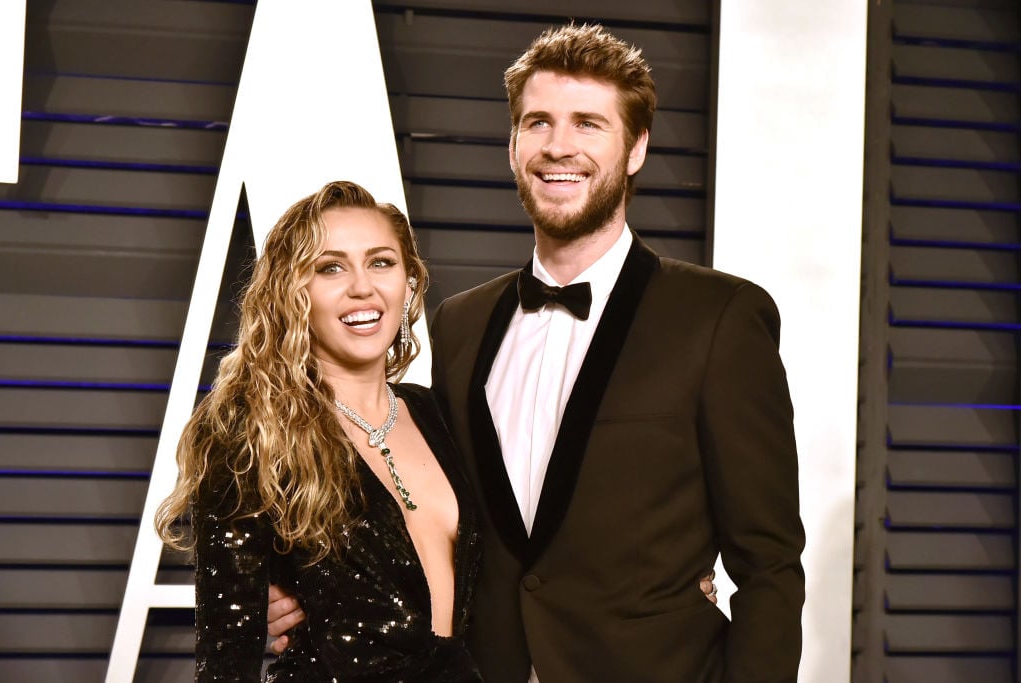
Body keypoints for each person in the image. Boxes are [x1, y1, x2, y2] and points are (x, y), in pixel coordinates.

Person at [272, 22, 804, 683]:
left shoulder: (720, 318)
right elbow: (425, 515)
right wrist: (298, 590)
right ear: (514, 143)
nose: (559, 147)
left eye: (588, 124)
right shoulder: (460, 324)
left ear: (635, 147)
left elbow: (770, 566)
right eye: (538, 123)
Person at [155, 181, 483, 681]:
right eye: (330, 267)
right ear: (293, 292)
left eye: (381, 262)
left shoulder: (436, 413)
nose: (362, 287)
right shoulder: (253, 433)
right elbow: (227, 657)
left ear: (409, 281)